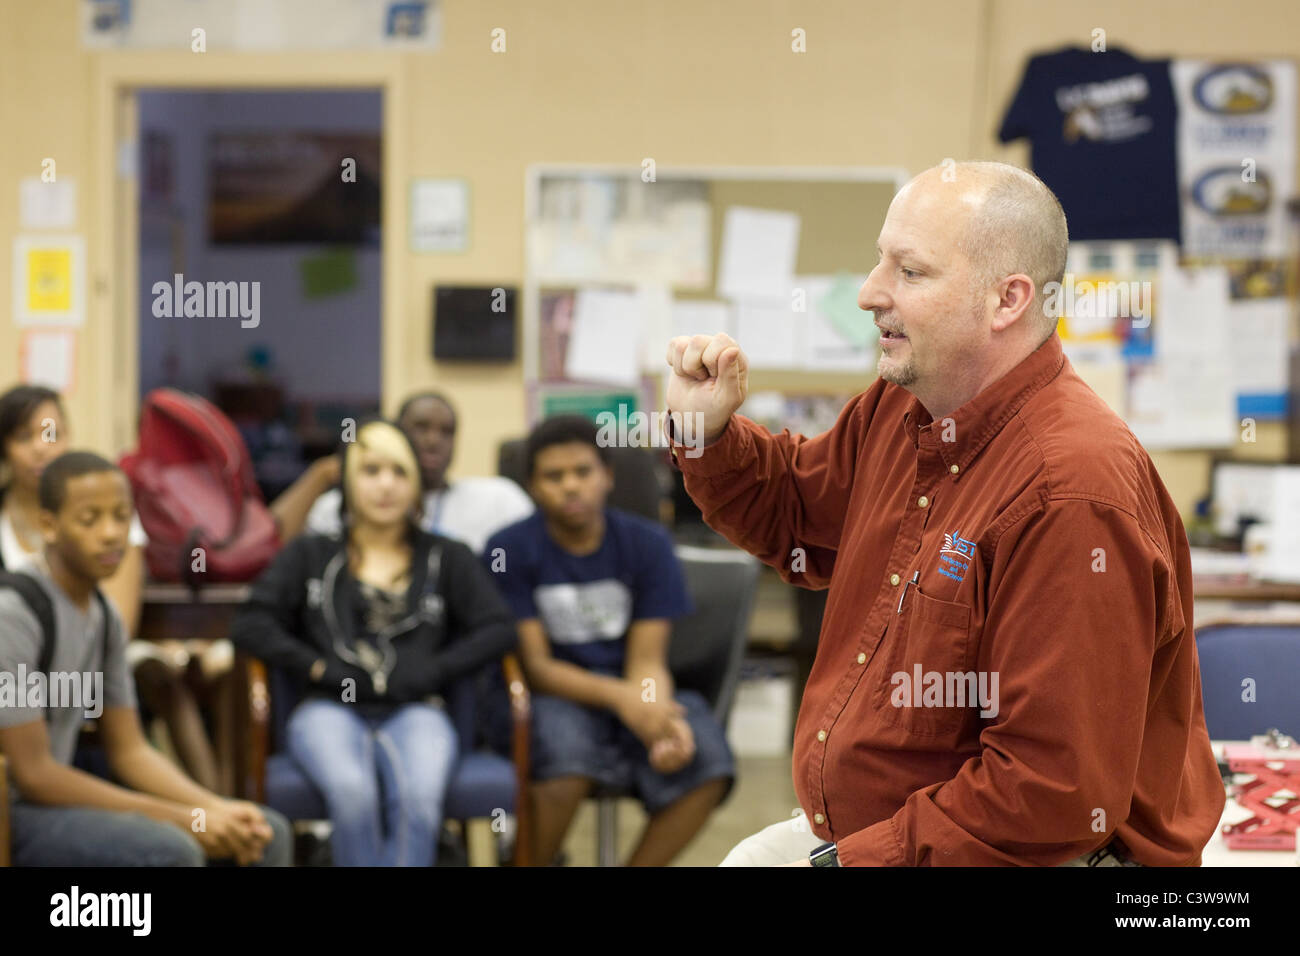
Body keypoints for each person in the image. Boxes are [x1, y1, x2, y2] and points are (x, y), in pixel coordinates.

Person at [663, 161, 1225, 867]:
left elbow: (1048, 794)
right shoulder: (906, 404)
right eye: (879, 262)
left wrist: (853, 863)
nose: (870, 293)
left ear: (1007, 300)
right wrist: (707, 437)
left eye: (910, 272)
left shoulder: (1071, 491)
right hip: (892, 833)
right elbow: (800, 520)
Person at [230, 419, 516, 866]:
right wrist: (318, 668)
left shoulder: (448, 556)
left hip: (418, 708)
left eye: (400, 472)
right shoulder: (310, 553)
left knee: (418, 799)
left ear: (418, 485)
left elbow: (498, 628)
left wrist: (435, 669)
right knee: (352, 792)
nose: (386, 485)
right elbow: (250, 622)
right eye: (371, 470)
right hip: (328, 708)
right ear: (347, 482)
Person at [0, 451, 291, 866]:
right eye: (90, 520)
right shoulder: (14, 612)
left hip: (56, 803)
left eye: (121, 517)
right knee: (171, 849)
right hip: (16, 815)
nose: (111, 533)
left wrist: (214, 808)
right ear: (49, 525)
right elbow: (33, 775)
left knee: (265, 832)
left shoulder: (104, 616)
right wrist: (186, 820)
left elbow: (131, 750)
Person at [484, 415, 734, 866]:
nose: (571, 486)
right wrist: (625, 701)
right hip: (552, 693)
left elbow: (647, 659)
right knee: (565, 752)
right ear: (533, 487)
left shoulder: (649, 544)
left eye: (582, 471)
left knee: (707, 757)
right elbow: (537, 667)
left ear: (607, 476)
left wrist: (654, 713)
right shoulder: (508, 549)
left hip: (629, 684)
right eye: (553, 476)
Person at [0, 384, 223, 791]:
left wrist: (204, 815)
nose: (41, 449)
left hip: (92, 656)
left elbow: (112, 619)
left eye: (51, 434)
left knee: (161, 678)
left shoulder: (106, 513)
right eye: (24, 437)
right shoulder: (14, 604)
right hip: (17, 668)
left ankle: (214, 799)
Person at [288, 391, 534, 555]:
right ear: (396, 434)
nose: (433, 440)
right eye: (421, 427)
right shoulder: (340, 507)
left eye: (447, 432)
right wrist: (321, 473)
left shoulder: (499, 499)